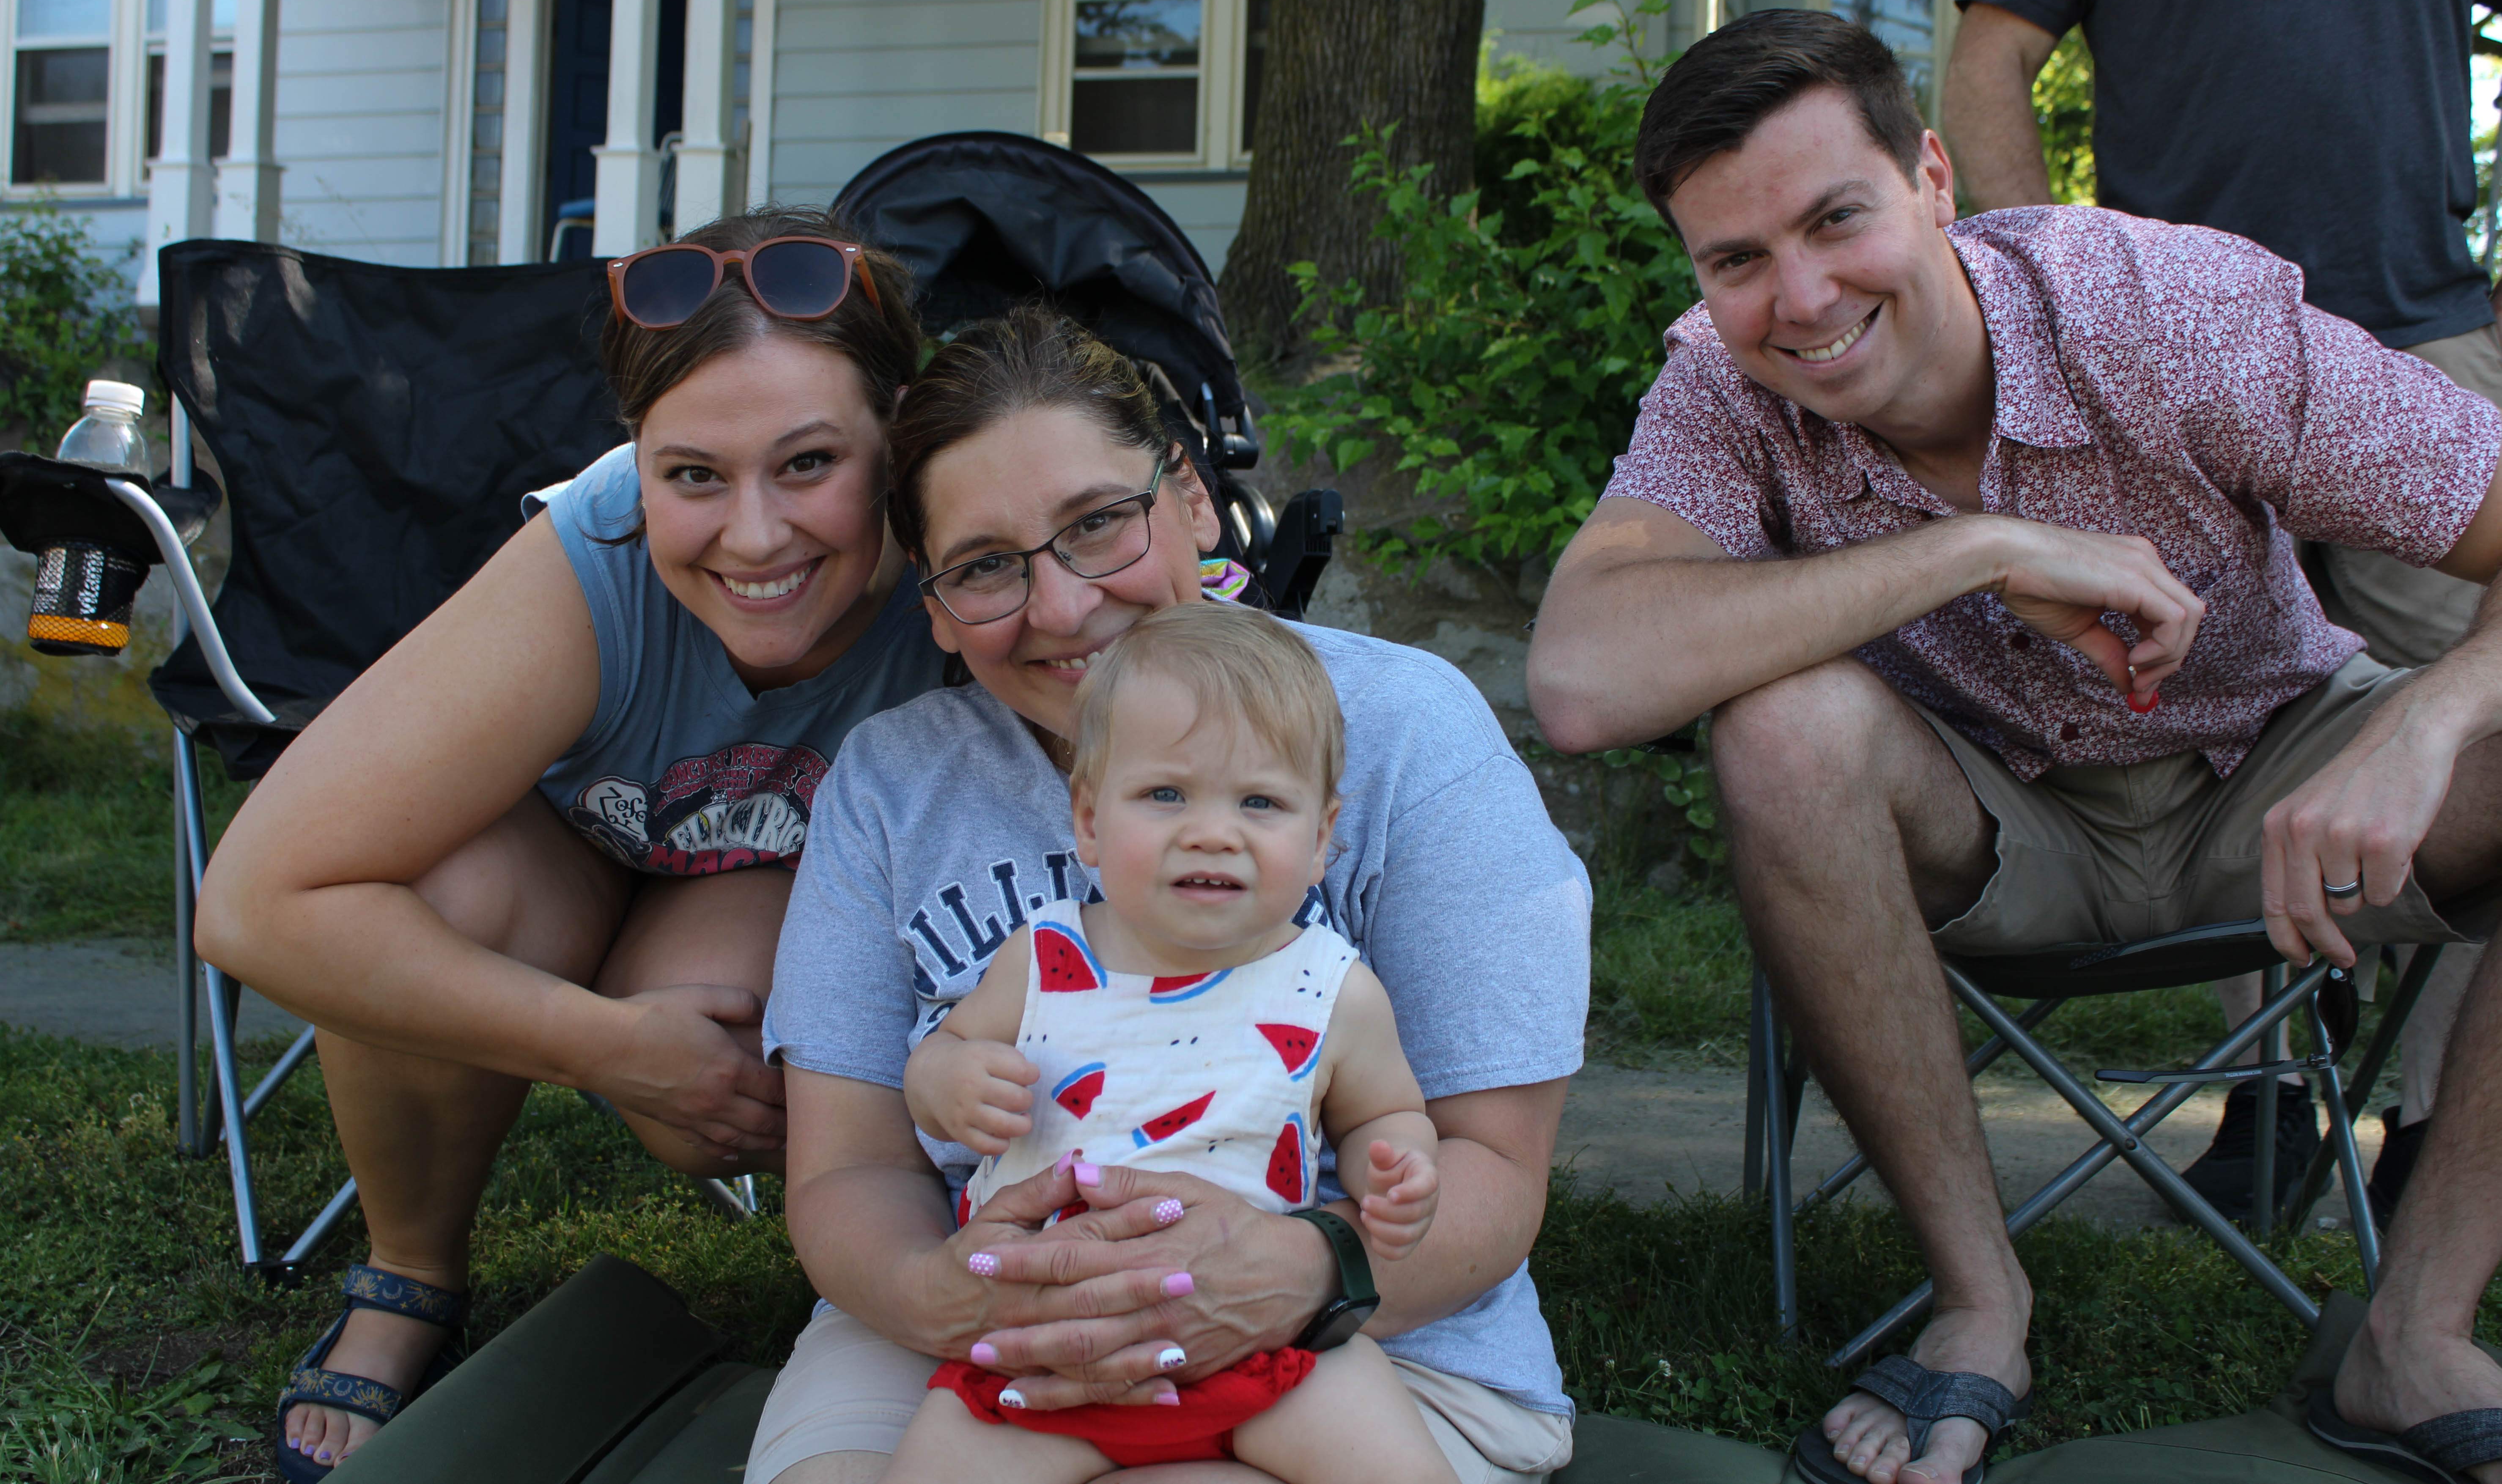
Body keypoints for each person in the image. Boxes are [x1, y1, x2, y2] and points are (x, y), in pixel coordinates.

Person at [1525, 10, 2502, 1484]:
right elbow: (1580, 679)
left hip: (2272, 771)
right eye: (1734, 260)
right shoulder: (1721, 388)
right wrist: (1976, 547)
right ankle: (1979, 1305)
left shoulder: (2165, 314)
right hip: (1989, 826)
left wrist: (2428, 713)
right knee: (1782, 728)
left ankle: (2412, 1332)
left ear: (1932, 177)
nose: (1799, 298)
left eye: (1835, 219)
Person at [752, 306, 1588, 1484]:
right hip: (976, 1323)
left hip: (1365, 1337)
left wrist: (1302, 1270)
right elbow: (848, 1169)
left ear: (1191, 500)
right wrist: (944, 1294)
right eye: (985, 565)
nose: (1061, 607)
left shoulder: (1404, 730)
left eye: (1098, 523)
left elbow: (1489, 1166)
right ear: (933, 604)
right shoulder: (894, 784)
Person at [192, 208, 946, 1477]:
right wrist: (605, 1047)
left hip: (770, 874)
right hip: (565, 850)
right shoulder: (590, 551)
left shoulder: (964, 556)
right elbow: (254, 904)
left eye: (809, 463)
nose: (755, 535)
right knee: (416, 902)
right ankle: (408, 1270)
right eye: (692, 475)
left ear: (900, 436)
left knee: (742, 1060)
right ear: (636, 458)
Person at [1940, 0, 2502, 1226]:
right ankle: (2266, 1096)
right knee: (2197, 707)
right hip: (2164, 357)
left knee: (2478, 717)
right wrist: (2052, 299)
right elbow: (1988, 59)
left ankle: (2432, 1137)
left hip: (2423, 326)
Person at [888, 601, 1454, 1483]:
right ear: (1088, 819)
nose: (1212, 832)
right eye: (1166, 795)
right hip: (1039, 1356)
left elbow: (1384, 1113)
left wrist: (1400, 1168)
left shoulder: (1331, 987)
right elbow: (936, 1059)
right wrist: (951, 1079)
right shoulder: (1042, 958)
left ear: (1320, 839)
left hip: (1262, 1348)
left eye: (1260, 802)